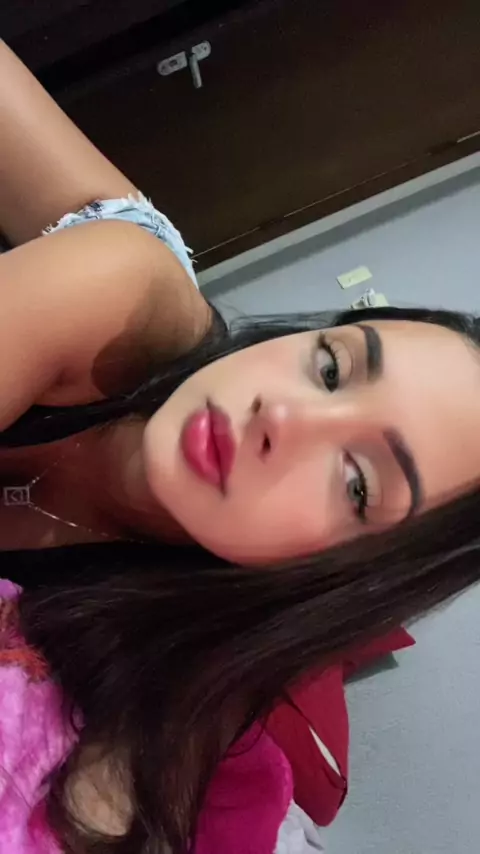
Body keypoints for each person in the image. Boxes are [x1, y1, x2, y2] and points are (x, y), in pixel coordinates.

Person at [1, 40, 480, 854]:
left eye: (357, 484)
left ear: (346, 574)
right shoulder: (119, 296)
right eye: (331, 368)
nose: (280, 417)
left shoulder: (169, 702)